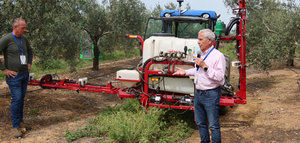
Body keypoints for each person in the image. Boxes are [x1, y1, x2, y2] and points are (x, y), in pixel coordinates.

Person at [174, 29, 226, 143]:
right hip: (198, 93)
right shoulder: (200, 54)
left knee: (213, 125)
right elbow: (198, 71)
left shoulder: (218, 56)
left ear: (209, 41)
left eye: (200, 39)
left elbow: (220, 77)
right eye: (198, 39)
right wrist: (186, 72)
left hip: (211, 94)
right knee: (201, 123)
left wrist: (205, 66)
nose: (198, 42)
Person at [0, 18, 33, 138]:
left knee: (21, 99)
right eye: (23, 28)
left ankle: (20, 123)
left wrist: (29, 62)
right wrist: (4, 70)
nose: (25, 30)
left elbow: (30, 51)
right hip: (14, 76)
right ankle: (15, 127)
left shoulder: (24, 39)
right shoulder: (7, 39)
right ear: (15, 27)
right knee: (17, 99)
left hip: (24, 74)